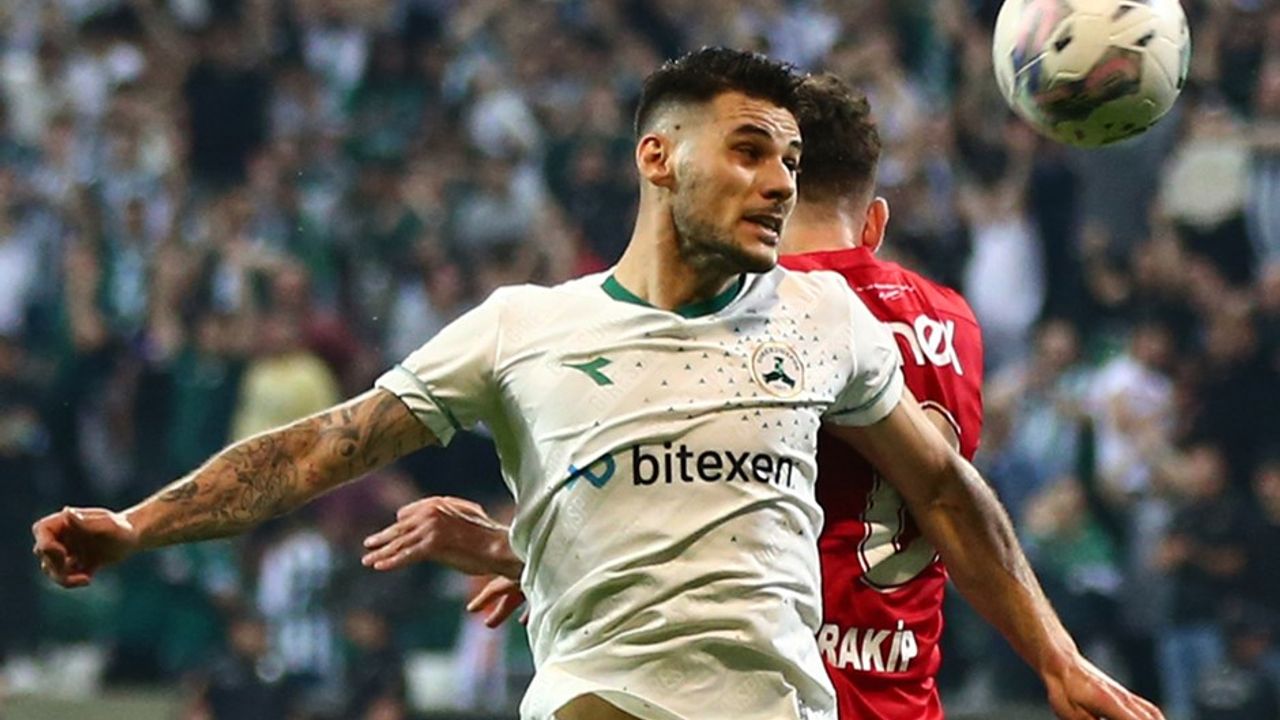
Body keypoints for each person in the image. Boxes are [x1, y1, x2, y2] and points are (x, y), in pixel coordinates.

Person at [34, 48, 1159, 720]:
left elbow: (948, 491)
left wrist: (1058, 661)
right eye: (749, 151)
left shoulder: (824, 320)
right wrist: (137, 526)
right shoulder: (526, 329)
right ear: (657, 158)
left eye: (788, 161)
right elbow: (320, 447)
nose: (777, 183)